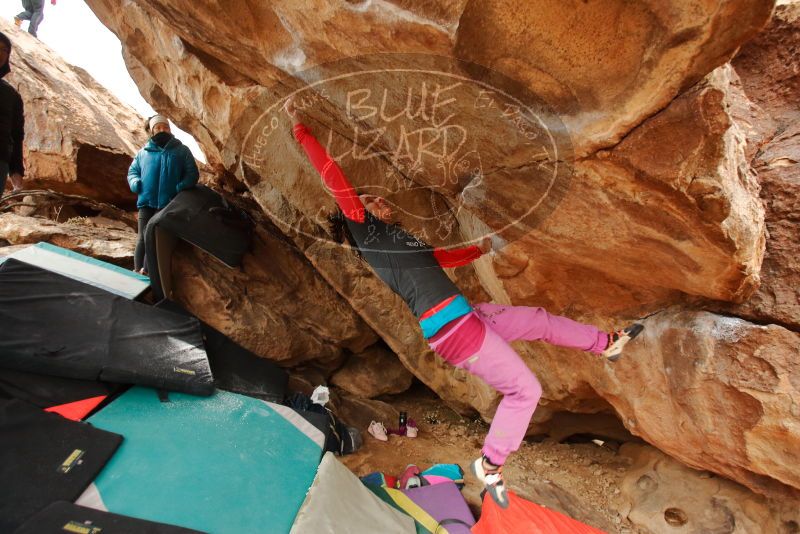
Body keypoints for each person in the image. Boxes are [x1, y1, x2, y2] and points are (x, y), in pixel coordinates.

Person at [284, 97, 644, 508]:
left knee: (539, 321)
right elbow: (335, 179)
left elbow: (444, 258)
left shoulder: (403, 241)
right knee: (525, 391)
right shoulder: (365, 231)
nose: (379, 201)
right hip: (453, 331)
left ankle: (606, 344)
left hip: (468, 316)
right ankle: (490, 464)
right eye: (369, 200)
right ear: (356, 212)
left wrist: (482, 248)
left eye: (378, 199)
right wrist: (301, 129)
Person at [127, 114, 199, 274]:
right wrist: (135, 183)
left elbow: (192, 174)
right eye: (158, 127)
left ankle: (146, 270)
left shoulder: (182, 150)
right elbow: (132, 172)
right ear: (152, 131)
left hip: (167, 202)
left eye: (165, 127)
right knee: (141, 237)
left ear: (170, 129)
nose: (162, 130)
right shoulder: (143, 153)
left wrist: (180, 186)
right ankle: (136, 269)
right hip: (146, 200)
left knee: (152, 235)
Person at [0, 32, 25, 197]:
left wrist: (16, 175)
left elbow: (16, 137)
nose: (0, 53)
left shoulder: (12, 95)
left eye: (4, 49)